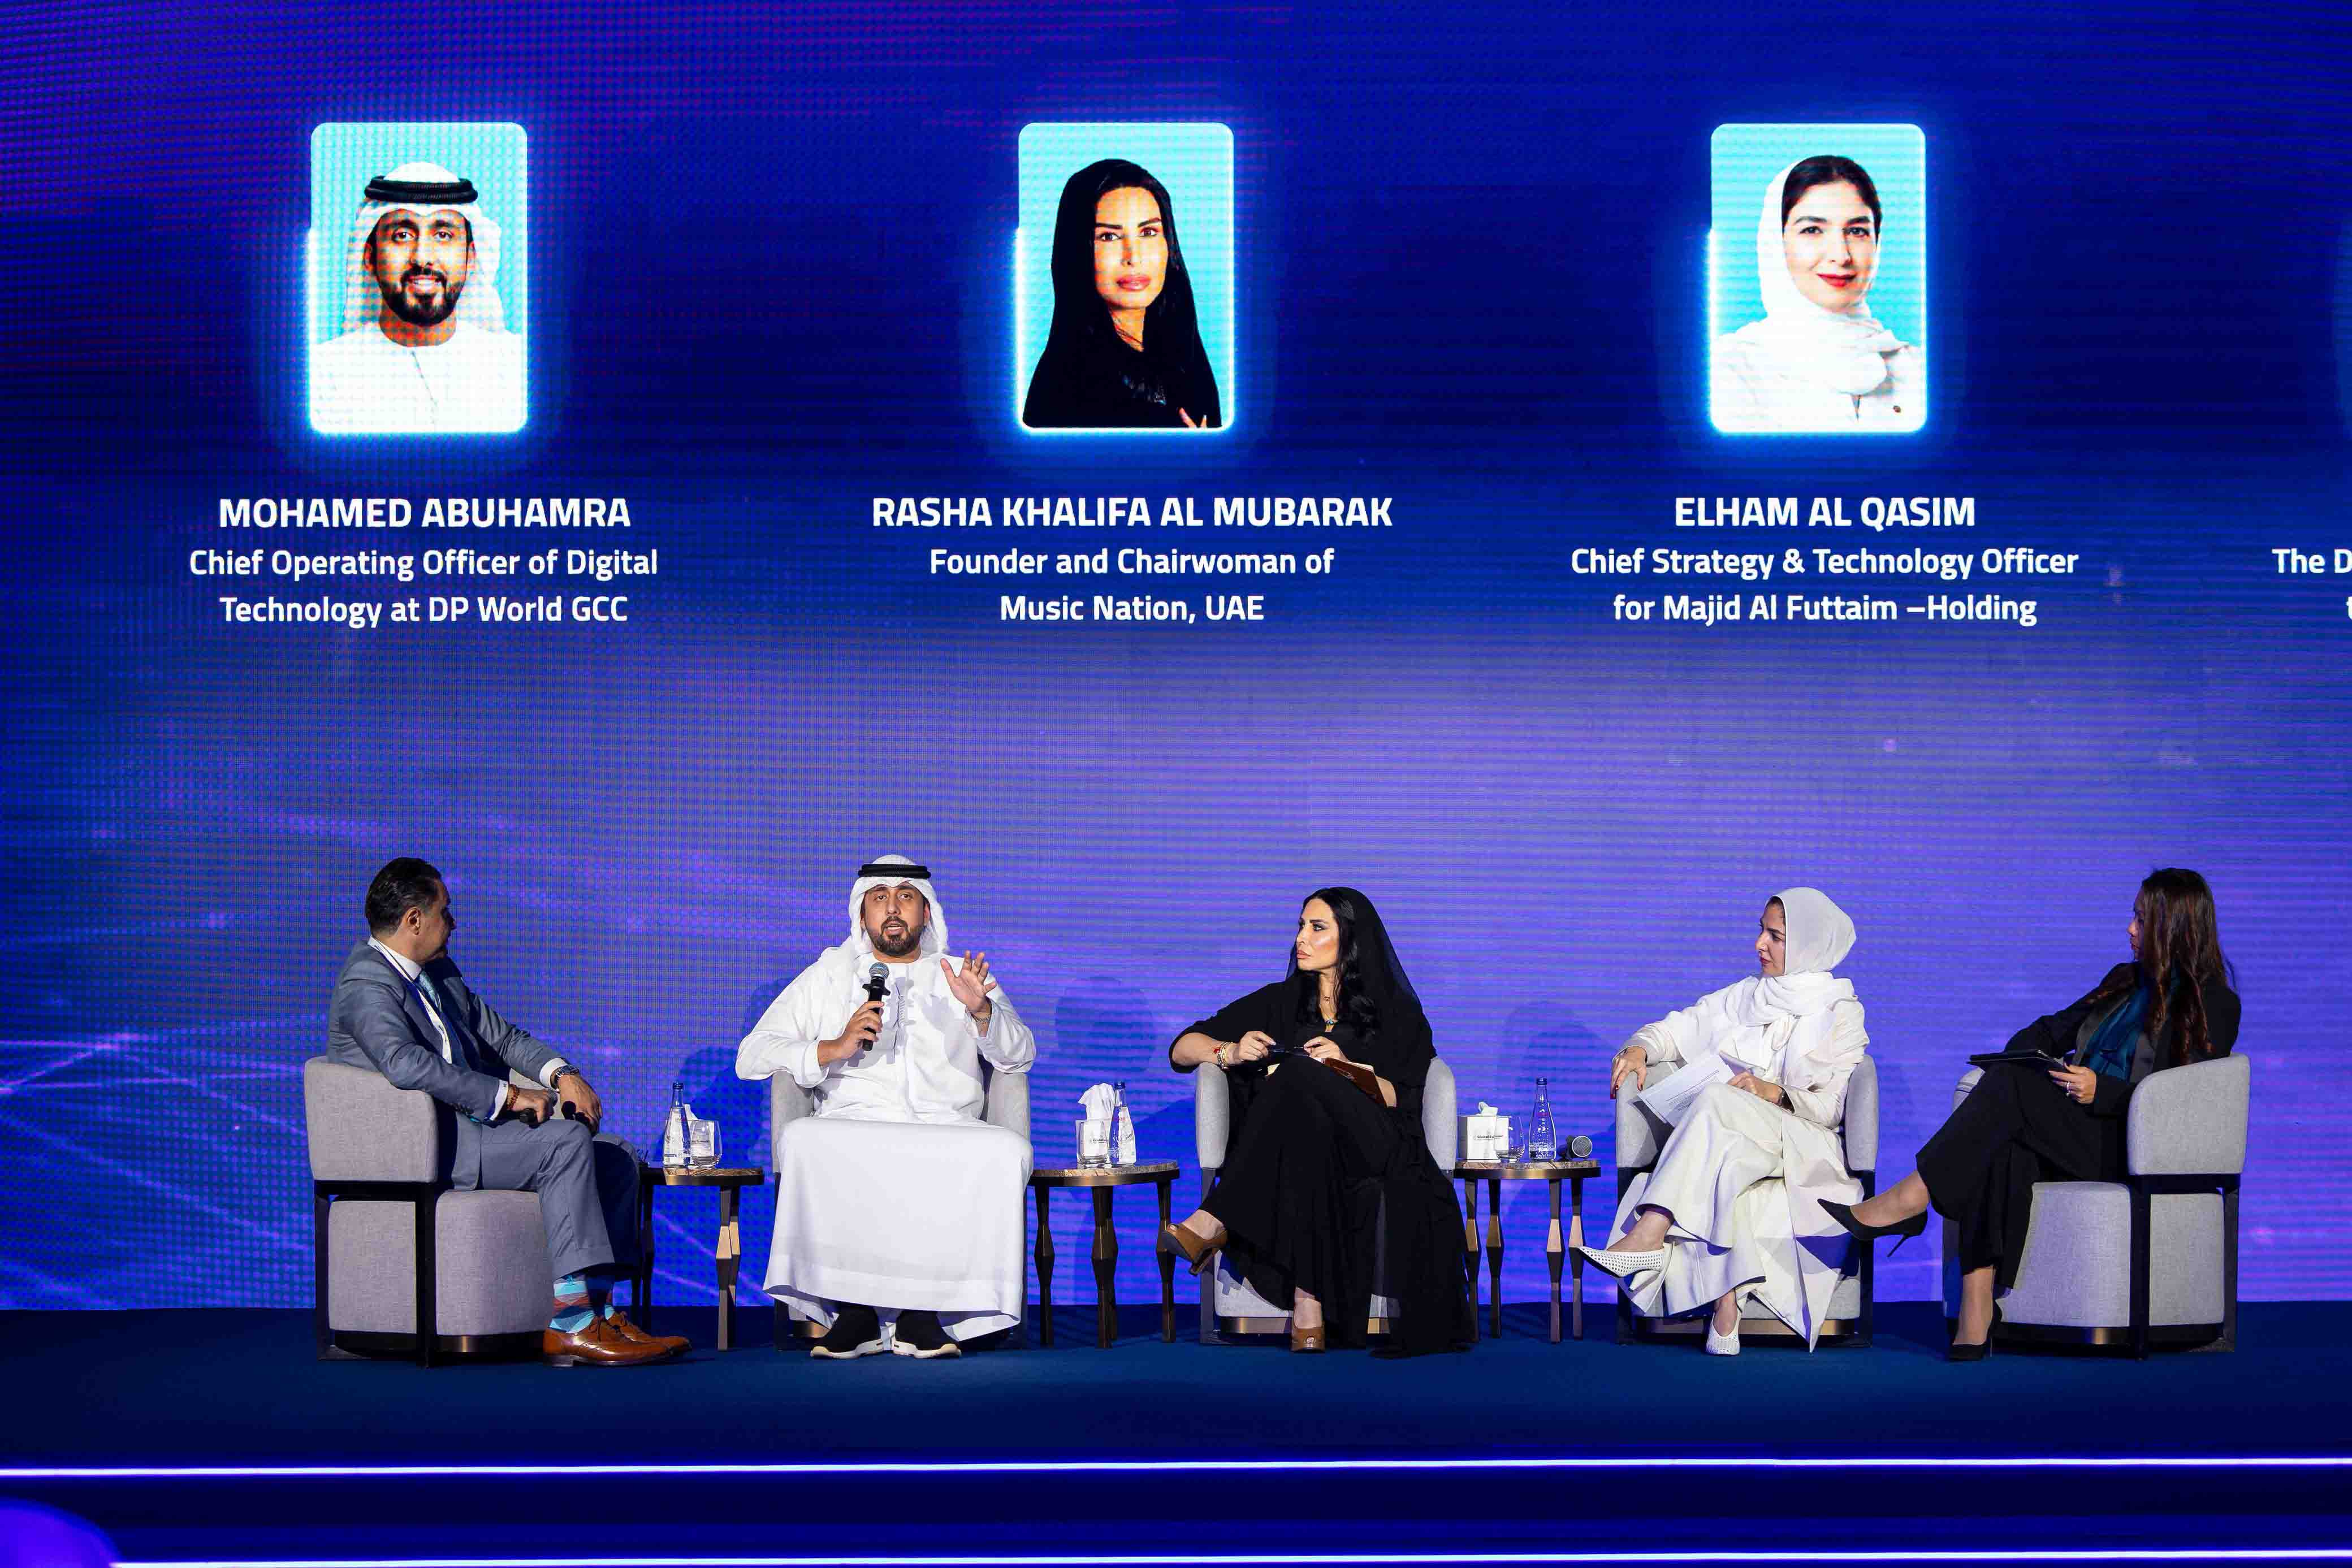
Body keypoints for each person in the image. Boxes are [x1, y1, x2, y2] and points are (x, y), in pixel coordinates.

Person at [1824, 868, 2241, 1360]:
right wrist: (2044, 1062)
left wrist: (2102, 1091)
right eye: (2134, 916)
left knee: (2011, 1095)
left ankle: (1910, 1199)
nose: (2130, 929)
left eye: (2143, 920)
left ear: (2176, 927)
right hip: (2076, 1130)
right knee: (2000, 1135)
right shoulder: (2125, 981)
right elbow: (2043, 1031)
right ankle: (1977, 1308)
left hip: (2132, 1147)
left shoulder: (2213, 1002)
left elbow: (2180, 1103)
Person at [325, 857, 682, 1367]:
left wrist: (563, 1075)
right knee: (565, 1142)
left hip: (478, 1133)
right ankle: (572, 1324)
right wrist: (511, 1096)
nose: (454, 923)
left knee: (616, 1154)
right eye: (446, 912)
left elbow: (505, 1038)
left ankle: (602, 1310)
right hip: (434, 1147)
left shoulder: (439, 974)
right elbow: (405, 1064)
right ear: (413, 919)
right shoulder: (366, 984)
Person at [735, 856, 1035, 1359]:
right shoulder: (829, 974)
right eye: (880, 898)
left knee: (1005, 1151)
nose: (893, 908)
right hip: (854, 1119)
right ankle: (854, 1313)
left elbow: (1020, 1054)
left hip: (946, 1123)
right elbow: (752, 1054)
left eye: (905, 897)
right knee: (805, 1140)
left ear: (926, 912)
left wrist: (982, 1012)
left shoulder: (959, 975)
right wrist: (831, 1047)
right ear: (863, 914)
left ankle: (926, 1314)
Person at [1161, 889, 1469, 1355]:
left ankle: (1215, 1217)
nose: (1301, 938)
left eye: (1317, 928)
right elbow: (1181, 1049)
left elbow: (1405, 1098)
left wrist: (1345, 1069)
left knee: (1298, 1072)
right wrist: (1230, 1052)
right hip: (1310, 1155)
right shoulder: (1280, 1002)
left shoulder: (1394, 1012)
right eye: (1301, 926)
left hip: (1378, 1144)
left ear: (1351, 939)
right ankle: (1309, 1304)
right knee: (1305, 1131)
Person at [1577, 889, 1867, 1354]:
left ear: (1809, 945)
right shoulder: (1745, 996)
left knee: (1716, 1100)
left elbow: (1833, 1107)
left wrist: (1775, 1093)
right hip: (1735, 1139)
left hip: (1801, 1141)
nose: (1759, 944)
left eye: (1775, 936)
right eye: (1761, 930)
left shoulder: (1840, 1012)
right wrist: (1639, 1049)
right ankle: (1726, 1308)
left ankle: (1649, 1232)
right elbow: (1674, 1029)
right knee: (1725, 1162)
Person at [311, 162, 526, 434]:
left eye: (443, 235)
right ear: (370, 258)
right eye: (402, 236)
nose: (422, 257)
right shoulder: (321, 376)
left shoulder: (518, 367)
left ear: (471, 258)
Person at [1712, 155, 1923, 432]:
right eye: (1812, 230)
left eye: (1857, 231)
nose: (1841, 255)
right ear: (1775, 242)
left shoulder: (1919, 369)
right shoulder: (1728, 369)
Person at [1022, 158, 1222, 430]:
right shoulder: (1063, 385)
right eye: (1109, 237)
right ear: (1077, 251)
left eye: (1148, 232)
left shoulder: (1185, 356)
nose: (1134, 257)